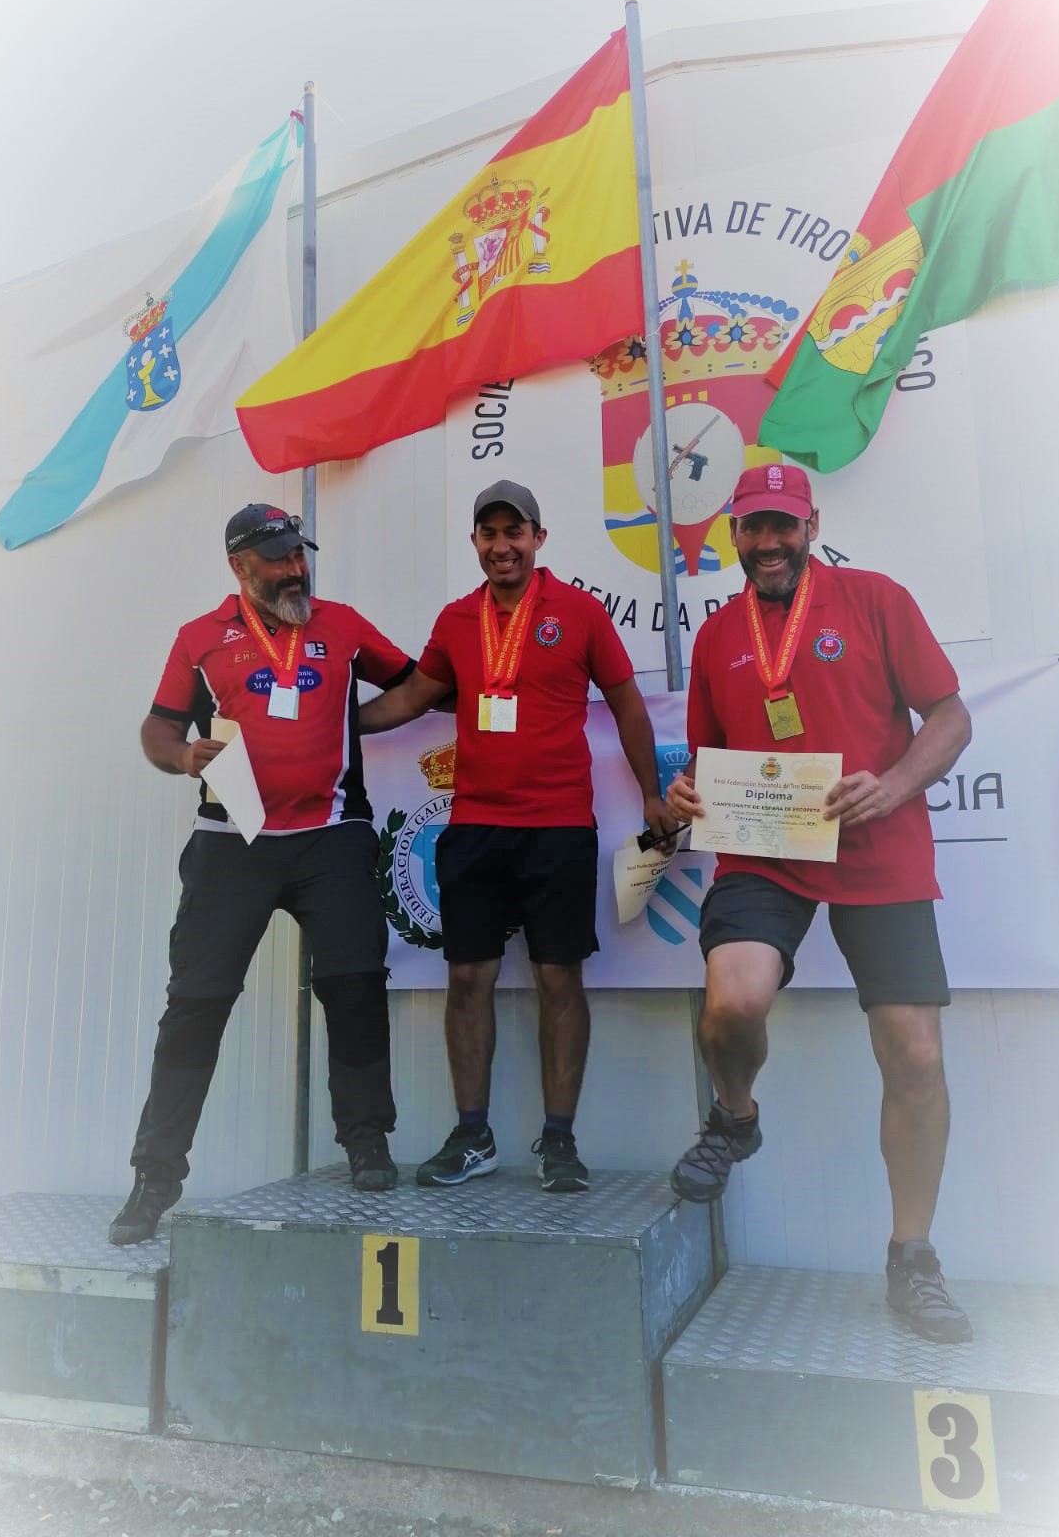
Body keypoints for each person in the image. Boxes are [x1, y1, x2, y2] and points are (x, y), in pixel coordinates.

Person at [664, 461, 974, 1342]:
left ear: (811, 527)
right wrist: (688, 792)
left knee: (916, 1059)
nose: (769, 543)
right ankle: (735, 1117)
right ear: (733, 534)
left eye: (783, 526)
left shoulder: (875, 600)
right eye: (753, 528)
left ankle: (912, 1257)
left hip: (878, 846)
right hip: (766, 854)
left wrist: (895, 784)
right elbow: (710, 763)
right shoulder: (717, 634)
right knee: (732, 1005)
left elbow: (950, 718)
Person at [109, 505, 414, 1245]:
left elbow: (415, 684)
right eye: (278, 558)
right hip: (232, 839)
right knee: (196, 1002)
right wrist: (182, 756)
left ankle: (366, 1140)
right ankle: (155, 1175)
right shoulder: (200, 638)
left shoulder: (342, 626)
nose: (295, 569)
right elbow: (158, 727)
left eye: (299, 554)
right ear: (240, 567)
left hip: (331, 834)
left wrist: (355, 722)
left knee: (355, 986)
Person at [359, 480, 672, 1193]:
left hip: (559, 828)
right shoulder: (456, 619)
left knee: (559, 978)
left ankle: (559, 1140)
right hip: (474, 826)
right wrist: (338, 723)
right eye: (489, 533)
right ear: (475, 541)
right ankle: (473, 1134)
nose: (502, 546)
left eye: (515, 532)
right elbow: (412, 697)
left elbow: (628, 706)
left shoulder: (581, 613)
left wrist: (652, 793)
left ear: (538, 538)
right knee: (467, 978)